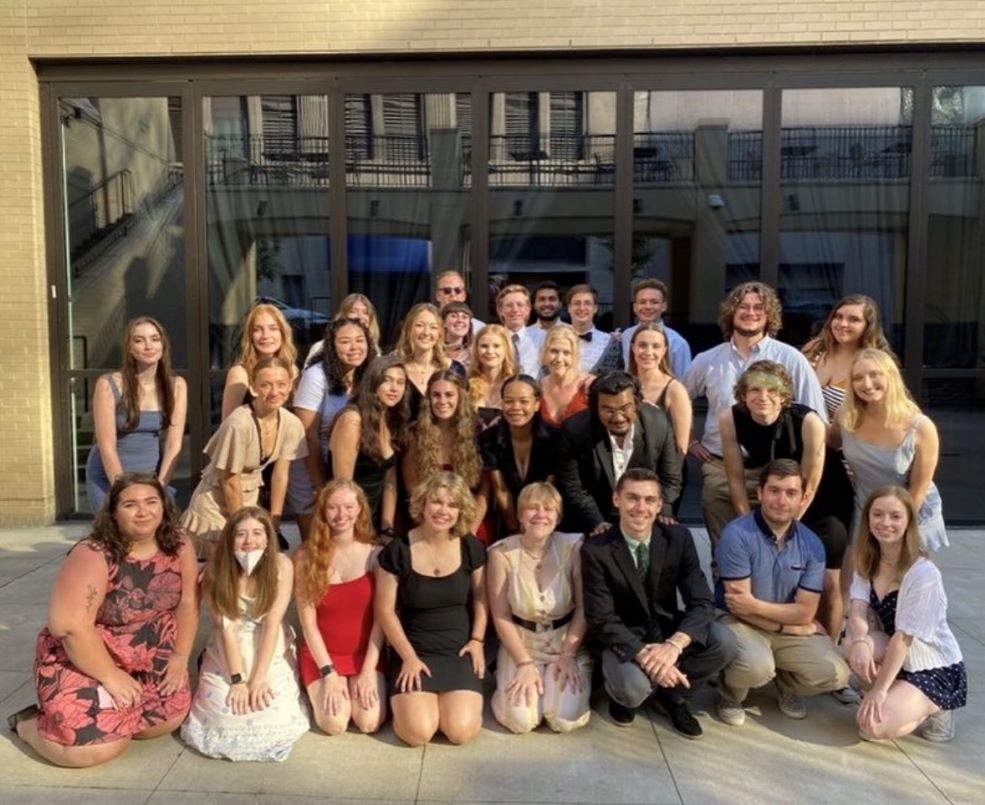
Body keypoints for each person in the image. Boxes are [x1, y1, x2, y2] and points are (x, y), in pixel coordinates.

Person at [9, 474, 197, 767]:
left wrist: (180, 656)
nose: (143, 511)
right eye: (130, 504)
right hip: (85, 656)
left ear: (164, 506)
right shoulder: (94, 553)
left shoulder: (179, 545)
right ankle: (28, 724)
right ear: (113, 513)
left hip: (148, 652)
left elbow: (187, 604)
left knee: (164, 721)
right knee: (94, 751)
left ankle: (117, 716)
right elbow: (68, 626)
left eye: (151, 502)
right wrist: (110, 676)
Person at [581, 468, 735, 738]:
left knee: (724, 642)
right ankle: (628, 696)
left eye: (649, 500)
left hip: (664, 629)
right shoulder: (596, 550)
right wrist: (646, 656)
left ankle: (672, 696)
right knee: (632, 690)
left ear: (660, 504)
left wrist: (674, 646)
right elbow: (601, 619)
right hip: (622, 636)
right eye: (632, 498)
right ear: (616, 500)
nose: (641, 508)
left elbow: (701, 601)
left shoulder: (678, 538)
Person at [684, 281, 828, 545]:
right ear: (731, 312)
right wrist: (689, 440)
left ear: (769, 315)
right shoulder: (707, 359)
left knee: (778, 548)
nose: (750, 312)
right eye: (743, 306)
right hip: (721, 470)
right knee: (727, 551)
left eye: (759, 307)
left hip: (778, 470)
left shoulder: (792, 358)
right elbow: (678, 401)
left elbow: (816, 417)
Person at [719, 360, 848, 640]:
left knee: (829, 580)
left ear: (783, 395)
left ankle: (830, 645)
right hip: (779, 492)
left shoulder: (808, 421)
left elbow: (810, 482)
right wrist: (747, 522)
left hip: (823, 496)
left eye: (771, 390)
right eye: (754, 389)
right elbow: (736, 479)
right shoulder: (730, 418)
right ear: (743, 393)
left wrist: (790, 528)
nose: (762, 397)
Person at [716, 459, 851, 726]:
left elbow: (805, 612)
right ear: (760, 493)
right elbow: (738, 606)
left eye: (791, 493)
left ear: (803, 498)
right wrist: (791, 627)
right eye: (774, 491)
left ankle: (785, 684)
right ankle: (729, 694)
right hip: (739, 623)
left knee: (837, 673)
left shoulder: (812, 545)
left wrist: (778, 620)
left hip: (784, 625)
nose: (781, 500)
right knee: (756, 667)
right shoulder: (737, 534)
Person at [180, 507, 309, 761]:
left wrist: (258, 679)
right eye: (241, 534)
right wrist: (238, 680)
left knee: (269, 708)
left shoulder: (282, 565)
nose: (250, 541)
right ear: (230, 539)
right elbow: (225, 627)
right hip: (228, 647)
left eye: (257, 533)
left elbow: (272, 622)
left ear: (268, 538)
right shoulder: (216, 572)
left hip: (269, 644)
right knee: (223, 712)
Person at [375, 472, 488, 747]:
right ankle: (417, 704)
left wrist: (477, 640)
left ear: (461, 511)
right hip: (414, 651)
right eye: (436, 502)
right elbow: (385, 611)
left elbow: (481, 595)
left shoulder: (470, 546)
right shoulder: (398, 551)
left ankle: (446, 704)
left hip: (457, 651)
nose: (443, 511)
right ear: (423, 504)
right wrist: (409, 658)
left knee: (459, 733)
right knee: (418, 734)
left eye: (452, 505)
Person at [847, 487, 966, 743]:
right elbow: (857, 607)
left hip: (930, 664)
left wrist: (878, 692)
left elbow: (904, 639)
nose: (885, 523)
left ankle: (938, 706)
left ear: (909, 522)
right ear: (867, 518)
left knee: (871, 728)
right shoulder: (867, 559)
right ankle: (895, 691)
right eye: (877, 514)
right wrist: (859, 642)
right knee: (853, 645)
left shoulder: (923, 573)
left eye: (895, 516)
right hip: (893, 650)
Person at [488, 482, 591, 733]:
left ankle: (576, 674)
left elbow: (583, 608)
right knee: (521, 722)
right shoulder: (501, 553)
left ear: (558, 517)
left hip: (565, 642)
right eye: (532, 508)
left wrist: (568, 654)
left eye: (548, 509)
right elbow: (500, 615)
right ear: (521, 514)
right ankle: (510, 675)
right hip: (522, 644)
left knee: (562, 720)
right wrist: (524, 663)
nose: (540, 515)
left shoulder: (572, 546)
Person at [181, 356, 307, 558]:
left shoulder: (291, 423)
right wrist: (242, 528)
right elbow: (229, 481)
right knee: (221, 566)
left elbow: (280, 475)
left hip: (249, 499)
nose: (275, 392)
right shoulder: (238, 423)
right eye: (266, 385)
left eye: (281, 384)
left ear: (290, 385)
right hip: (215, 502)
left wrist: (273, 524)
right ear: (253, 388)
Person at [830, 348, 947, 552]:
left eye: (875, 375)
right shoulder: (845, 416)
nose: (867, 384)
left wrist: (896, 531)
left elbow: (918, 490)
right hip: (866, 507)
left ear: (891, 376)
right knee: (859, 579)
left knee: (903, 579)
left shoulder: (920, 427)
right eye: (858, 378)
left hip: (910, 511)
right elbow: (829, 444)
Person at [294, 481, 387, 736]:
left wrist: (368, 670)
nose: (341, 514)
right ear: (323, 512)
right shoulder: (305, 558)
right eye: (333, 508)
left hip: (364, 655)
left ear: (360, 510)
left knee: (368, 722)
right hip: (322, 655)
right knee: (334, 724)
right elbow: (308, 624)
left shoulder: (376, 556)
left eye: (348, 506)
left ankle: (360, 679)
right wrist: (329, 673)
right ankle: (311, 684)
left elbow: (382, 621)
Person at [802, 294, 895, 542]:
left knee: (845, 540)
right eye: (838, 317)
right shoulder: (814, 350)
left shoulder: (873, 364)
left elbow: (880, 417)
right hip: (808, 454)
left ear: (868, 326)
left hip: (847, 463)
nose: (843, 324)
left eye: (853, 319)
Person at [555, 371, 681, 534]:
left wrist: (660, 508)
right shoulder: (575, 430)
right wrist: (597, 522)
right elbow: (573, 486)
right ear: (595, 409)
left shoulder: (658, 424)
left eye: (625, 408)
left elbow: (671, 479)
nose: (618, 418)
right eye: (608, 410)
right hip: (595, 515)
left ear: (637, 404)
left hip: (645, 514)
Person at [85, 317, 187, 512]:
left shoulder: (177, 386)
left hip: (151, 476)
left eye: (155, 339)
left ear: (163, 345)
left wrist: (160, 487)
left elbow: (174, 445)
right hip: (110, 476)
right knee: (117, 536)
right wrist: (122, 491)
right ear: (129, 348)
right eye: (139, 340)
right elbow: (107, 445)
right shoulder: (108, 384)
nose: (149, 346)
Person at [288, 317, 373, 541]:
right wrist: (322, 487)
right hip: (310, 468)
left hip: (346, 469)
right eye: (345, 342)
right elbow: (308, 435)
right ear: (332, 346)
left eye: (360, 340)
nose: (354, 347)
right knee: (317, 542)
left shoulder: (370, 374)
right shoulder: (316, 376)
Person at [328, 355, 409, 534]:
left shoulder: (392, 419)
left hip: (376, 519)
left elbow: (390, 481)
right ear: (373, 382)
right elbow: (343, 486)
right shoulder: (352, 421)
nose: (394, 388)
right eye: (387, 381)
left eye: (400, 382)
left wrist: (387, 526)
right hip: (347, 520)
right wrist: (359, 529)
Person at [403, 370, 489, 538]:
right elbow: (413, 490)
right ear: (428, 399)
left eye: (449, 395)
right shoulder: (415, 434)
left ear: (460, 398)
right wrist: (435, 527)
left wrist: (469, 530)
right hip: (428, 518)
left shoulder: (478, 431)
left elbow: (484, 491)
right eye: (436, 395)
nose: (442, 401)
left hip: (470, 519)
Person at [480, 375, 562, 534]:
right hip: (510, 521)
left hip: (547, 518)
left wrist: (536, 527)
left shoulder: (555, 439)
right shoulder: (489, 439)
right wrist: (515, 530)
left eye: (524, 401)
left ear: (537, 404)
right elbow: (501, 490)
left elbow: (549, 487)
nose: (515, 407)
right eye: (509, 401)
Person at [221, 303, 299, 420]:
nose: (265, 335)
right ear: (250, 336)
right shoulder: (240, 374)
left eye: (273, 328)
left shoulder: (292, 370)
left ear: (283, 333)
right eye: (257, 329)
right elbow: (228, 424)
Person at [627, 322, 691, 457]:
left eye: (656, 346)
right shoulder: (624, 384)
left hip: (662, 472)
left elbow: (681, 448)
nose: (648, 352)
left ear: (664, 350)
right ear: (633, 347)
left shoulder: (675, 390)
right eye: (642, 345)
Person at [392, 302, 463, 419]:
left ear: (440, 333)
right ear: (409, 329)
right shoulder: (395, 369)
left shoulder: (455, 369)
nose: (426, 332)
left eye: (433, 327)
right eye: (419, 325)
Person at [621, 279, 691, 378]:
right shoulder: (627, 335)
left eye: (654, 302)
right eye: (642, 302)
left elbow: (684, 382)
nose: (648, 306)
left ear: (664, 306)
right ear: (635, 307)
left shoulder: (677, 342)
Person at [305, 293, 382, 367]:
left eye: (365, 312)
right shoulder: (320, 347)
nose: (360, 316)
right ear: (343, 316)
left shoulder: (374, 349)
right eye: (353, 311)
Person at [538, 324, 591, 427]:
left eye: (566, 353)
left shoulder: (588, 386)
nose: (559, 359)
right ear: (545, 352)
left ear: (575, 355)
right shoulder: (537, 387)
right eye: (554, 351)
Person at [467, 323, 518, 428]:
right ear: (476, 349)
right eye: (484, 346)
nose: (490, 351)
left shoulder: (517, 384)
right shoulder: (466, 383)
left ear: (506, 349)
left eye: (496, 346)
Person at [566, 283, 622, 375]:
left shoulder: (610, 342)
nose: (582, 308)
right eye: (577, 303)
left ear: (595, 308)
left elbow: (615, 376)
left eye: (587, 303)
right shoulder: (558, 340)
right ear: (569, 308)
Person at [496, 284, 546, 376]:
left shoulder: (542, 338)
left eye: (520, 305)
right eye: (509, 305)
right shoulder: (493, 338)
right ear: (500, 310)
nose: (515, 309)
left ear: (528, 309)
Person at [434, 269, 485, 336]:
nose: (453, 294)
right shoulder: (429, 323)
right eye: (447, 290)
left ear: (464, 295)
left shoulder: (479, 328)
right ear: (438, 295)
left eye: (457, 290)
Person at [441, 301, 475, 370]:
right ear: (444, 322)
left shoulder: (475, 354)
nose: (460, 320)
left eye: (464, 317)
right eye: (454, 316)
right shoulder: (433, 351)